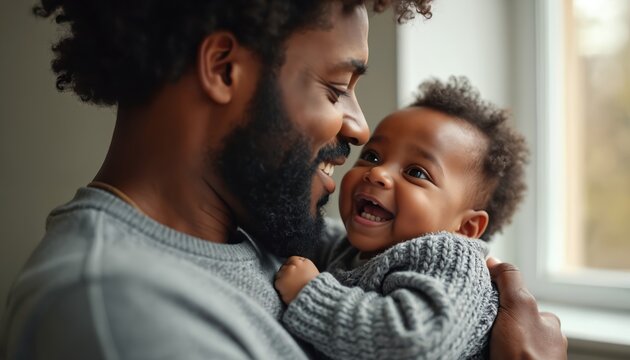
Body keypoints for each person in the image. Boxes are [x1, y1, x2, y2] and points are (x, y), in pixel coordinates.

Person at [0, 1, 567, 359]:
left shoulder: (266, 233)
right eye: (335, 87)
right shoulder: (120, 314)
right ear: (224, 68)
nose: (359, 126)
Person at [274, 76, 528, 359]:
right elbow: (322, 235)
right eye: (371, 156)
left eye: (417, 173)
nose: (378, 173)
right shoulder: (354, 249)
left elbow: (417, 342)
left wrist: (311, 294)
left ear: (466, 227)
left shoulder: (453, 259)